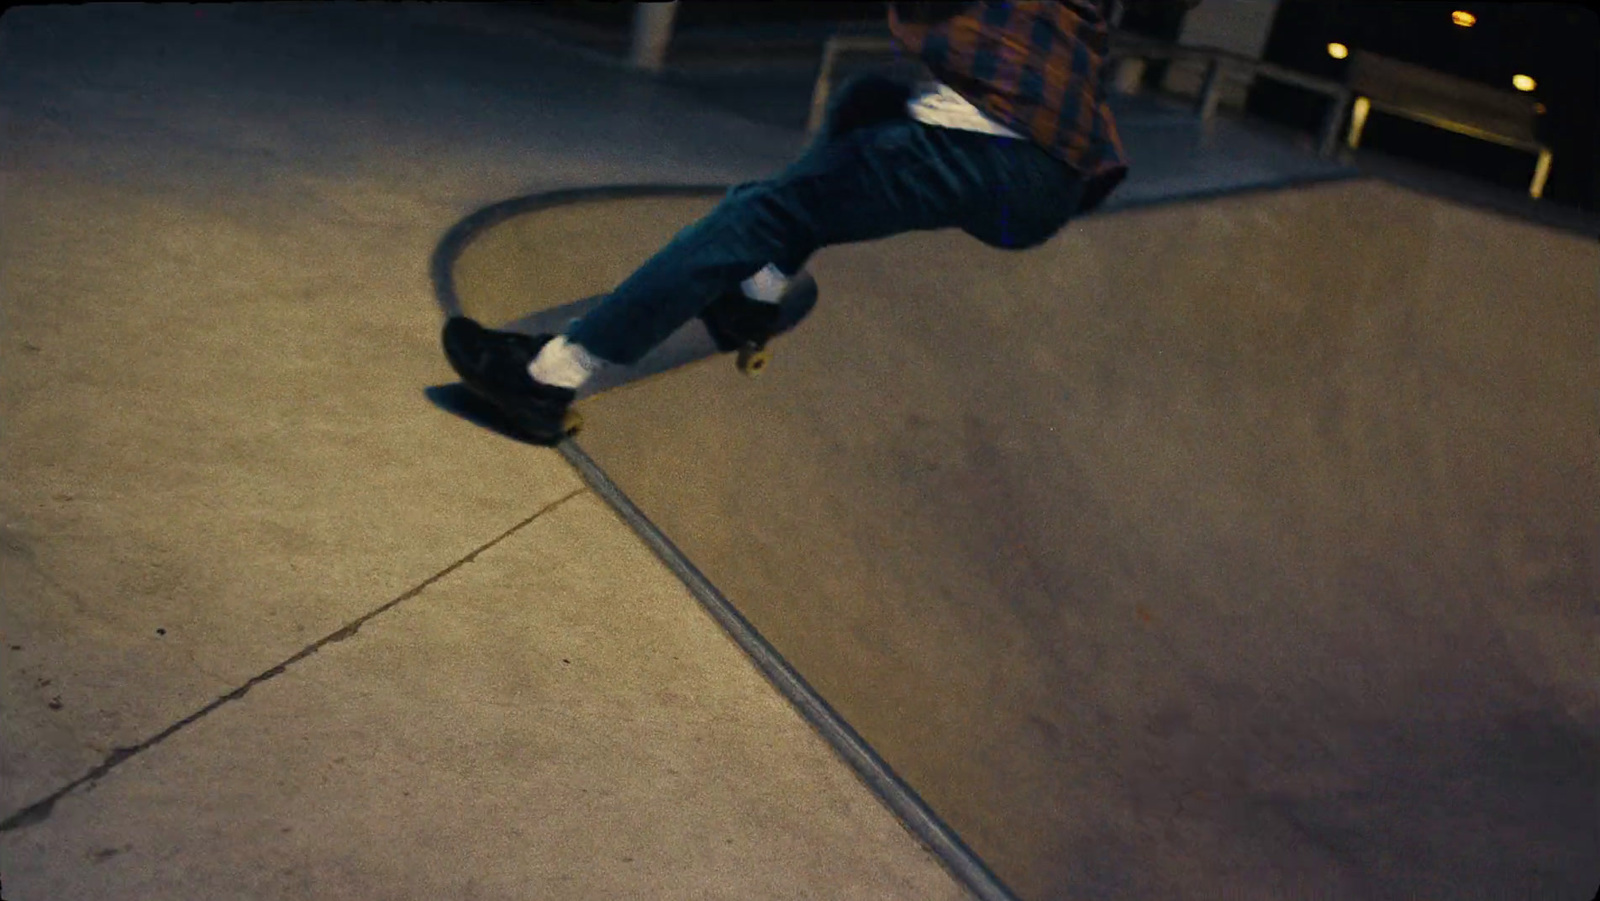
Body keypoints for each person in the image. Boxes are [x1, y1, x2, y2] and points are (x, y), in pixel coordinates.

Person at [444, 1, 1132, 446]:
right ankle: (756, 296)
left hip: (989, 147)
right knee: (868, 104)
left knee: (762, 210)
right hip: (1052, 183)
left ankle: (549, 374)